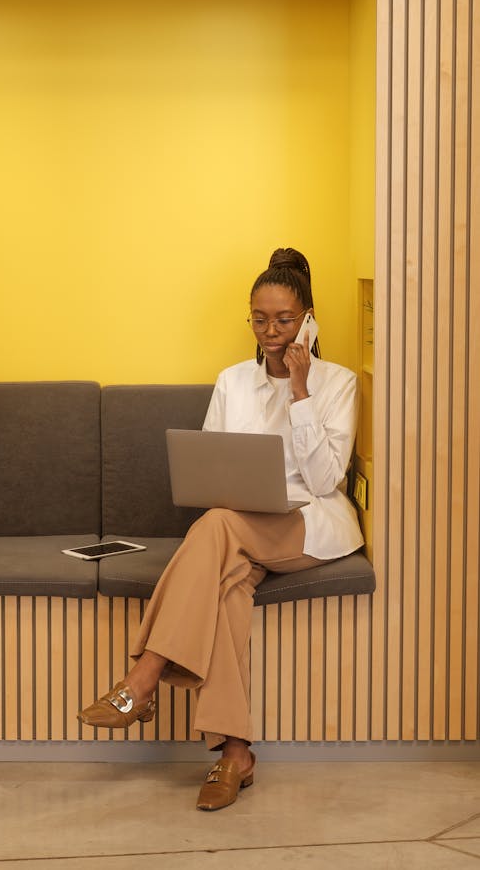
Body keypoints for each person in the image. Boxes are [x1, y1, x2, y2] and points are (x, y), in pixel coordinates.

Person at [79, 247, 363, 811]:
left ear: (308, 319)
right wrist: (229, 495)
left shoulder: (338, 383)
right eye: (260, 320)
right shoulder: (233, 381)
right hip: (238, 529)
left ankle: (144, 676)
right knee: (228, 586)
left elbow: (324, 479)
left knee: (217, 528)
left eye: (284, 320)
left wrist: (300, 393)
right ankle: (235, 754)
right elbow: (208, 467)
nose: (271, 333)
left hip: (307, 525)